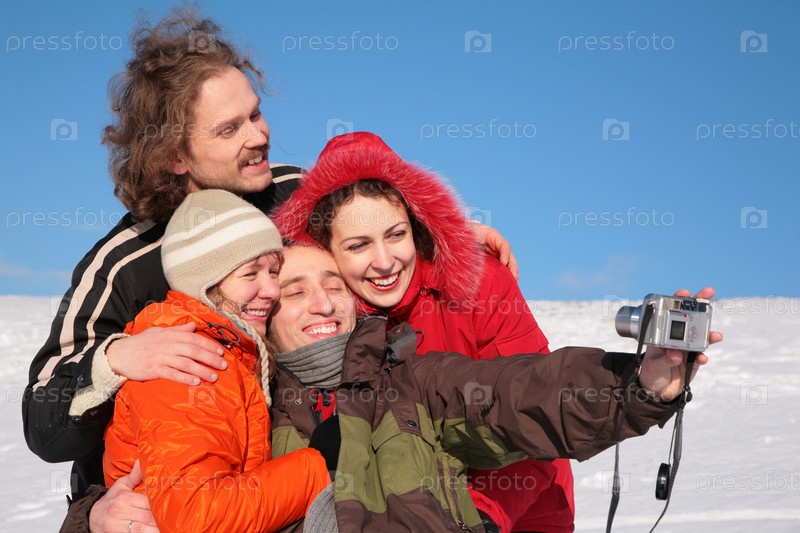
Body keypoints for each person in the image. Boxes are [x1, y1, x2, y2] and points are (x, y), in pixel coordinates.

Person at [22, 9, 513, 517]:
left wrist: (441, 233)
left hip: (290, 477)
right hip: (167, 506)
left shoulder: (294, 193)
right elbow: (42, 422)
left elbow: (371, 229)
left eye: (255, 115)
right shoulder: (123, 265)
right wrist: (115, 360)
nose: (257, 136)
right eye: (229, 129)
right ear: (175, 157)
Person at [264, 244, 720, 532]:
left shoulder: (410, 382)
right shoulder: (253, 407)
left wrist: (636, 385)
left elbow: (519, 394)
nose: (323, 303)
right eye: (295, 292)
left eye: (333, 286)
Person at [272, 132, 573, 531]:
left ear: (415, 225)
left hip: (519, 506)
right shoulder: (333, 315)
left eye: (395, 235)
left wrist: (481, 517)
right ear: (326, 250)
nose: (385, 262)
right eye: (359, 246)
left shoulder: (480, 284)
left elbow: (538, 410)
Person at [88, 190, 330, 532]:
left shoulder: (229, 353)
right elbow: (199, 517)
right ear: (205, 283)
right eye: (251, 274)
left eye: (273, 271)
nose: (272, 290)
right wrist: (318, 468)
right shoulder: (184, 361)